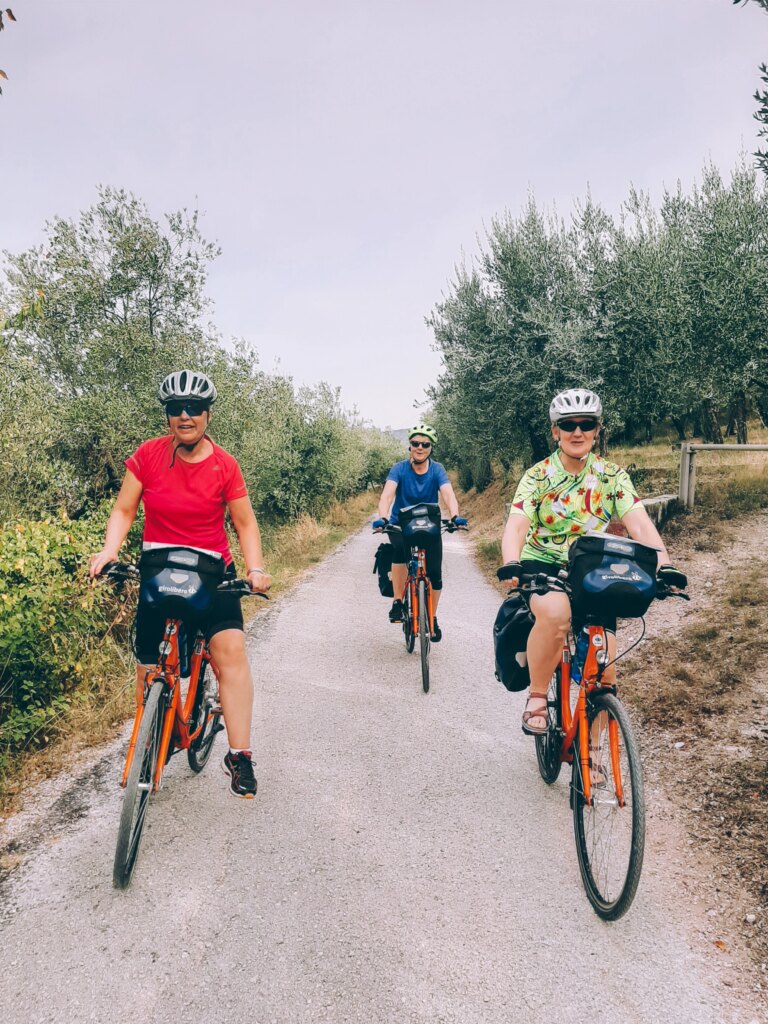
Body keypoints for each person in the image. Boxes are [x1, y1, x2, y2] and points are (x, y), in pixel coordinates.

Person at [89, 370, 271, 798]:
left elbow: (244, 523)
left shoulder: (225, 465)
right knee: (148, 665)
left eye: (193, 409)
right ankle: (150, 741)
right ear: (168, 415)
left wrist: (255, 568)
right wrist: (109, 550)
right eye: (175, 409)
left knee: (230, 654)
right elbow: (123, 510)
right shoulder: (149, 455)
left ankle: (239, 755)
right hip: (159, 568)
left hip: (213, 573)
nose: (184, 416)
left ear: (207, 414)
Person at [499, 388, 687, 734]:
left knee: (606, 671)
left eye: (586, 424)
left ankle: (596, 753)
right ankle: (538, 697)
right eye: (568, 425)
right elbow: (518, 524)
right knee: (556, 615)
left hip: (593, 568)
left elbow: (639, 523)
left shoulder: (612, 476)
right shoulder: (537, 476)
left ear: (597, 430)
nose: (577, 432)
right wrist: (511, 561)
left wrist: (666, 564)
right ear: (555, 431)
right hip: (543, 562)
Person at [372, 423, 466, 642]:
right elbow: (387, 495)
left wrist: (454, 515)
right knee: (399, 553)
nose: (420, 447)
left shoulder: (437, 470)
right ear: (410, 446)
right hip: (400, 524)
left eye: (425, 444)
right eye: (416, 443)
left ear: (431, 447)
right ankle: (397, 602)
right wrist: (383, 517)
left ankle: (431, 617)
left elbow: (448, 494)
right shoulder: (399, 469)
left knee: (435, 573)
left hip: (429, 524)